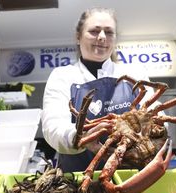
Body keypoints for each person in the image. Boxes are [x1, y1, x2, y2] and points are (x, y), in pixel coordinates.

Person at [41, 7, 165, 173]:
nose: (101, 37)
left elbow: (156, 110)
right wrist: (79, 137)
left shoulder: (135, 73)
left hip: (134, 175)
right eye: (94, 31)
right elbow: (53, 126)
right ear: (78, 37)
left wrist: (159, 124)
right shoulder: (62, 76)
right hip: (78, 177)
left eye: (109, 32)